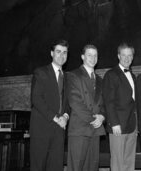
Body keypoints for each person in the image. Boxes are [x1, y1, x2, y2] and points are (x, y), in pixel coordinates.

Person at [30, 39, 70, 171]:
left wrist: (65, 116)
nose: (61, 55)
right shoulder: (41, 72)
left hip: (59, 130)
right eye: (58, 51)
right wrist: (55, 117)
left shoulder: (67, 77)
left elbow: (68, 102)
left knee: (56, 166)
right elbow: (36, 99)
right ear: (51, 53)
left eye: (65, 52)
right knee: (39, 166)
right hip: (42, 128)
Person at [66, 44, 105, 171]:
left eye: (95, 55)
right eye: (89, 55)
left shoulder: (100, 79)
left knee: (92, 168)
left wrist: (102, 117)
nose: (93, 58)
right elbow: (75, 102)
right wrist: (94, 119)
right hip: (80, 129)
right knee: (76, 168)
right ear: (82, 56)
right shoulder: (73, 75)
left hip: (95, 130)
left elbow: (104, 103)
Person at [102, 43, 137, 171]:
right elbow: (109, 101)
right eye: (124, 55)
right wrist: (114, 123)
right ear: (118, 56)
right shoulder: (111, 74)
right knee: (118, 163)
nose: (127, 58)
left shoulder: (133, 76)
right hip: (118, 126)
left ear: (133, 57)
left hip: (132, 125)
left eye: (130, 55)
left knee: (129, 161)